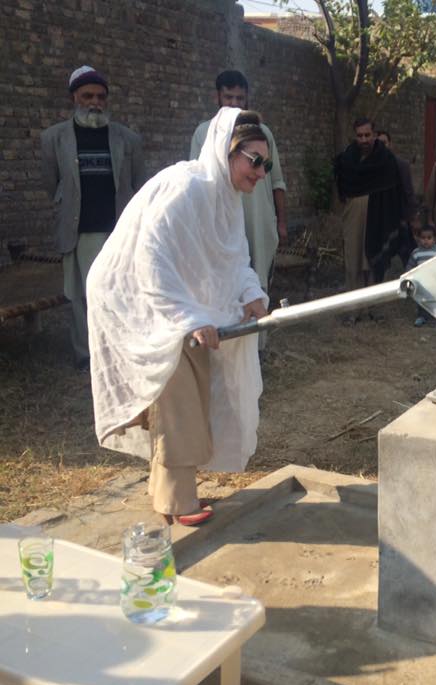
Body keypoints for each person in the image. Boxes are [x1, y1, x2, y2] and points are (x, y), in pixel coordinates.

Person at [86, 108, 270, 527]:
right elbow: (150, 258)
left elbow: (234, 260)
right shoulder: (186, 187)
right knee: (179, 397)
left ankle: (162, 488)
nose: (261, 172)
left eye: (267, 164)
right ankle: (178, 501)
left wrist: (252, 295)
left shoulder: (227, 200)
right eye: (254, 161)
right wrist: (188, 316)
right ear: (227, 152)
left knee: (192, 388)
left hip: (175, 303)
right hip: (133, 298)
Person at [41, 65, 146, 369]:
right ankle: (86, 355)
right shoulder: (54, 139)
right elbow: (52, 184)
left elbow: (139, 183)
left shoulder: (128, 139)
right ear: (74, 98)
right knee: (80, 296)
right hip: (78, 231)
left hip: (118, 231)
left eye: (101, 97)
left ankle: (120, 351)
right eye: (87, 96)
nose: (95, 102)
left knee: (120, 294)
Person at [190, 70, 287, 300]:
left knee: (257, 288)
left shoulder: (263, 134)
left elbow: (276, 181)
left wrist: (281, 222)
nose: (234, 103)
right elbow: (199, 180)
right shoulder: (204, 133)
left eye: (240, 98)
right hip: (221, 223)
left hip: (258, 223)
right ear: (217, 97)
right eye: (228, 97)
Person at [334, 118, 404, 293]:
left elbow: (395, 189)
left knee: (374, 258)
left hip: (379, 213)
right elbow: (340, 187)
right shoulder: (347, 159)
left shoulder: (386, 159)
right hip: (353, 214)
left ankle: (373, 302)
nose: (364, 139)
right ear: (355, 136)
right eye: (360, 136)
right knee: (353, 259)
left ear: (374, 134)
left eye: (367, 135)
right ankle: (354, 303)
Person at [377, 129, 417, 268]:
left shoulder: (401, 165)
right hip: (379, 224)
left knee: (406, 258)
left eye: (384, 143)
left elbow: (408, 192)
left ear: (390, 144)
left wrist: (411, 218)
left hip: (399, 221)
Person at [405, 224, 436, 327]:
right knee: (421, 300)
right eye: (423, 238)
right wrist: (408, 275)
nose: (426, 240)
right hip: (421, 282)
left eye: (429, 238)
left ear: (435, 239)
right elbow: (410, 265)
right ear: (418, 239)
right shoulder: (416, 253)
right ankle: (421, 316)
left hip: (435, 281)